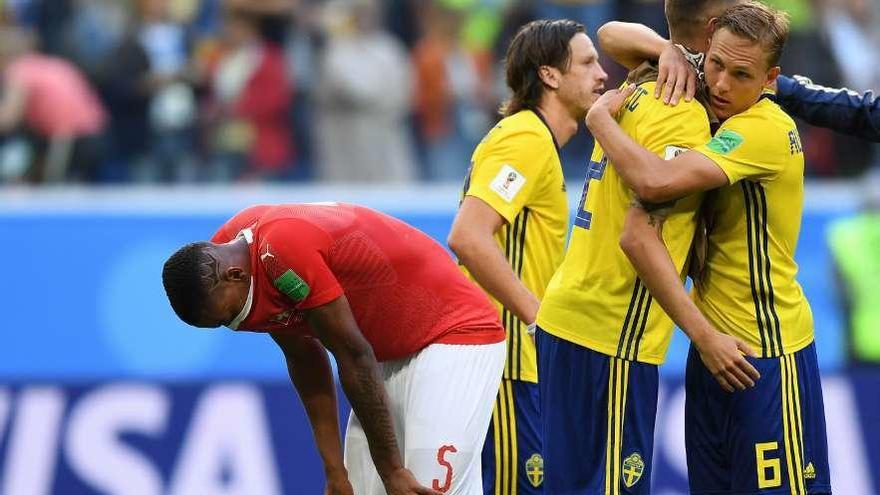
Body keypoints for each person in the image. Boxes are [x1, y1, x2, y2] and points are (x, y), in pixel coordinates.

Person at [585, 2, 831, 493]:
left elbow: (655, 182)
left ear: (769, 79)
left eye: (740, 74)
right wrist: (667, 50)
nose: (719, 84)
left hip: (767, 353)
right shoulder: (713, 84)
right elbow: (611, 33)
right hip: (716, 354)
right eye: (714, 65)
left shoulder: (763, 130)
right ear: (709, 43)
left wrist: (600, 121)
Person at [530, 2, 760, 492]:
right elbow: (640, 230)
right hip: (612, 334)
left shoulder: (637, 82)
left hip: (564, 315)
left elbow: (612, 32)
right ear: (717, 28)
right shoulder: (684, 114)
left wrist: (665, 50)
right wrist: (704, 336)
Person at [162, 202, 507, 495]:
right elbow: (303, 355)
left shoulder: (280, 253)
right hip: (387, 352)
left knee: (425, 488)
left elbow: (353, 355)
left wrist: (391, 471)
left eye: (225, 318)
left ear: (234, 275)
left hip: (454, 332)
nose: (235, 325)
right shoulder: (228, 252)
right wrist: (334, 470)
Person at [448, 19, 608, 495]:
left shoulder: (534, 143)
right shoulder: (525, 140)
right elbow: (469, 237)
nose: (602, 74)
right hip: (508, 359)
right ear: (550, 76)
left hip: (517, 363)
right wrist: (537, 316)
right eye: (587, 62)